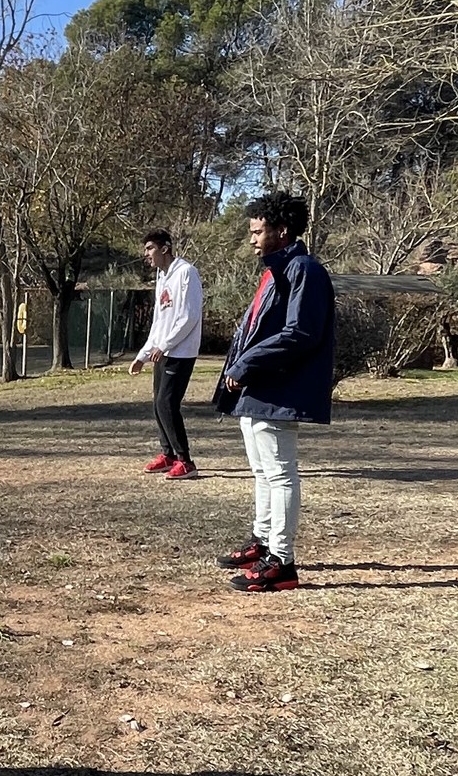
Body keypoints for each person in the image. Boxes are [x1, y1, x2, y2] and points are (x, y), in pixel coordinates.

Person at [213, 191, 336, 593]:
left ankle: (281, 561)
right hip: (259, 387)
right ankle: (263, 542)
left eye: (258, 231)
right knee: (263, 472)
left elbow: (301, 332)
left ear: (281, 231)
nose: (252, 238)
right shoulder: (277, 270)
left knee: (281, 474)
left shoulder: (304, 269)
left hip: (280, 388)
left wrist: (247, 363)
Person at [128, 228, 204, 479]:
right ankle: (168, 455)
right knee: (158, 403)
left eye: (150, 248)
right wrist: (143, 355)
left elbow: (189, 316)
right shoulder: (162, 277)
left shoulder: (186, 272)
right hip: (162, 351)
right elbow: (159, 322)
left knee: (167, 403)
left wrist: (167, 345)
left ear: (165, 248)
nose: (146, 254)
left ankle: (186, 461)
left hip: (180, 351)